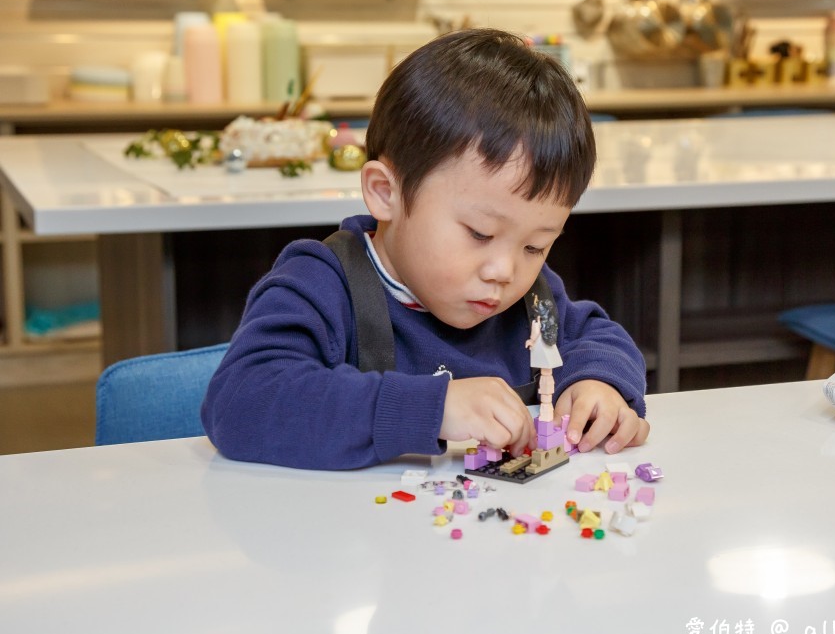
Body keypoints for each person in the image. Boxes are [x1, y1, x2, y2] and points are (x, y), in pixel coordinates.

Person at [201, 28, 649, 470]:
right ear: (385, 193)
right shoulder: (322, 285)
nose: (504, 270)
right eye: (479, 233)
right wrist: (431, 409)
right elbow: (243, 400)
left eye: (536, 246)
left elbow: (597, 335)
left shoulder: (533, 301)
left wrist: (597, 382)